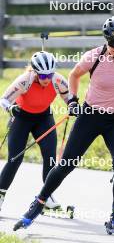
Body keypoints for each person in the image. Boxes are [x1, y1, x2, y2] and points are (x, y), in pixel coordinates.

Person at [14, 16, 114, 232]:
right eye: (111, 42)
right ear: (105, 39)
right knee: (67, 164)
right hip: (90, 116)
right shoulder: (94, 56)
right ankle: (37, 204)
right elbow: (75, 75)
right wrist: (73, 100)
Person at [0, 51, 69, 212]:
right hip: (21, 118)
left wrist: (73, 106)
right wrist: (11, 108)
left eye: (49, 75)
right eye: (43, 76)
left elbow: (69, 98)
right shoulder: (25, 81)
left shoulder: (57, 80)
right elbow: (3, 100)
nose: (46, 79)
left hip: (44, 118)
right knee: (14, 159)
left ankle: (47, 196)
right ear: (35, 72)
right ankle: (1, 194)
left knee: (50, 157)